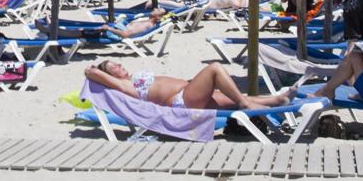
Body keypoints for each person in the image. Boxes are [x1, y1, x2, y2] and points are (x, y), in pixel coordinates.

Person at [85, 60, 297, 110]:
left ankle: (277, 100)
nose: (120, 66)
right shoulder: (125, 86)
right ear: (110, 76)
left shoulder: (131, 80)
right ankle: (245, 103)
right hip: (182, 101)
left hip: (188, 94)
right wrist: (96, 69)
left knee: (231, 101)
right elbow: (91, 72)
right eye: (115, 67)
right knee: (214, 68)